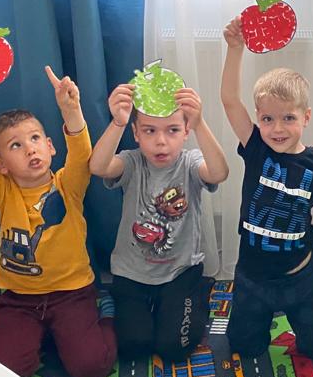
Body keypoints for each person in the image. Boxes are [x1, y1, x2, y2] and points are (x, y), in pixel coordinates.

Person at [0, 66, 115, 377]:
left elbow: (81, 154)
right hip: (20, 299)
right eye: (16, 145)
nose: (30, 148)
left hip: (72, 294)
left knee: (91, 367)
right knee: (9, 373)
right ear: (1, 165)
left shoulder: (68, 184)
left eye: (35, 139)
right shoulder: (2, 190)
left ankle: (105, 315)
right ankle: (44, 335)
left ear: (50, 146)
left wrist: (70, 109)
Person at [220, 16, 313, 358]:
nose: (277, 128)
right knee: (243, 347)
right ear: (258, 118)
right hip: (252, 277)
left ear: (306, 117)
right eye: (268, 119)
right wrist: (235, 49)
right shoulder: (256, 148)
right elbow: (229, 99)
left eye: (289, 118)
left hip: (300, 278)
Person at [90, 81, 229, 361]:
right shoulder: (131, 162)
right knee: (133, 347)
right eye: (150, 131)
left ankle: (199, 291)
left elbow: (218, 173)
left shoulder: (190, 162)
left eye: (173, 130)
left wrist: (200, 122)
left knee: (174, 348)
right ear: (136, 133)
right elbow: (98, 167)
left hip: (180, 272)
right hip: (132, 273)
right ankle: (123, 306)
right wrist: (117, 122)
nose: (161, 141)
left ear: (186, 132)